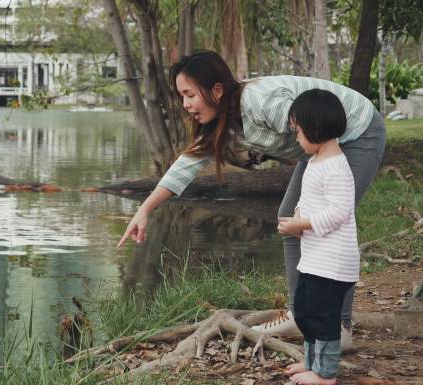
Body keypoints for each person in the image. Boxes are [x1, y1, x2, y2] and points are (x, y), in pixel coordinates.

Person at [117, 50, 386, 351]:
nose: (185, 104)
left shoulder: (259, 102)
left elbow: (316, 121)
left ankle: (339, 327)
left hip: (357, 133)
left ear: (216, 90)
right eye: (182, 96)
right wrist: (145, 209)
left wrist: (321, 193)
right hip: (319, 143)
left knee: (330, 227)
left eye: (190, 94)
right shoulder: (225, 118)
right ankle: (301, 315)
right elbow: (185, 166)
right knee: (289, 216)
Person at [278, 89, 358, 385]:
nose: (296, 138)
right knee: (304, 311)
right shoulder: (317, 161)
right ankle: (312, 362)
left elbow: (339, 212)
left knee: (323, 319)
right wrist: (299, 217)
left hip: (333, 263)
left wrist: (302, 224)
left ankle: (326, 374)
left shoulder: (337, 167)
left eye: (297, 132)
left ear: (315, 128)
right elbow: (314, 201)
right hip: (316, 259)